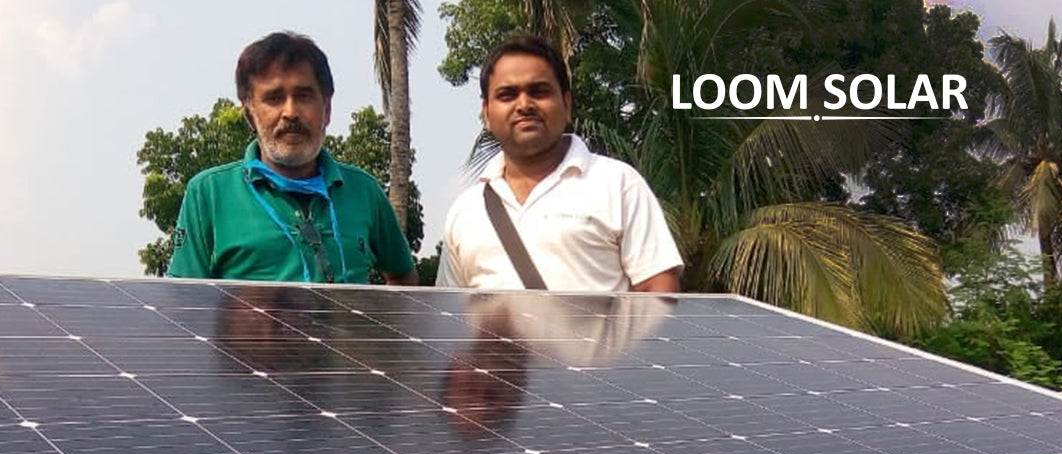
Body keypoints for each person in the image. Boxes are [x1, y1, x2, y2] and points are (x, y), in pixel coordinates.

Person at [167, 31, 417, 286]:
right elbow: (184, 301)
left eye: (304, 96)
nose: (290, 112)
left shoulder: (364, 190)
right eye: (274, 98)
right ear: (250, 114)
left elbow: (402, 276)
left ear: (327, 109)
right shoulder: (208, 194)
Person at [437, 34, 682, 292]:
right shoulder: (465, 211)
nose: (524, 105)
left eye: (539, 92)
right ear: (486, 113)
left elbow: (658, 292)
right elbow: (453, 313)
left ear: (566, 105)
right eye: (507, 95)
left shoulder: (618, 184)